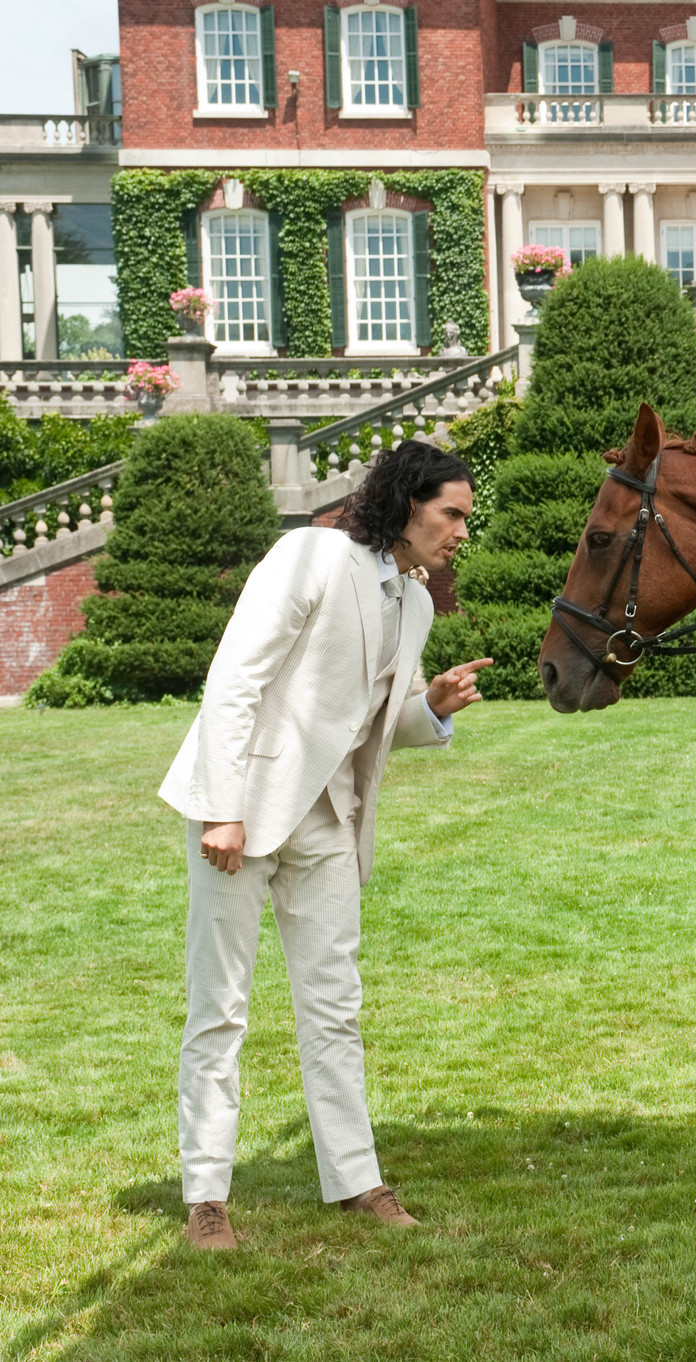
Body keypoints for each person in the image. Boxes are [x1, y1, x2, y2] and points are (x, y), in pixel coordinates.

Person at [156, 441, 494, 1251]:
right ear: (408, 503)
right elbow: (237, 678)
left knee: (335, 1010)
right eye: (452, 514)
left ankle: (355, 1180)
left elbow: (378, 723)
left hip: (331, 824)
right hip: (242, 808)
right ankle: (207, 1195)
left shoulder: (414, 605)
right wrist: (223, 808)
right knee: (221, 1009)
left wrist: (434, 705)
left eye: (465, 521)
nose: (459, 533)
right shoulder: (308, 554)